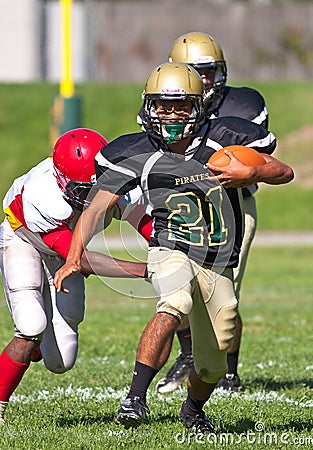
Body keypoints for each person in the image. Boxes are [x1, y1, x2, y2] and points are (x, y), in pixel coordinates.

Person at [54, 62, 293, 434]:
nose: (171, 115)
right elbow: (97, 207)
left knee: (213, 362)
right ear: (148, 106)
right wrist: (73, 258)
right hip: (170, 246)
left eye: (181, 107)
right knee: (174, 302)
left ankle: (193, 409)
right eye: (163, 106)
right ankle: (134, 398)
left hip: (217, 258)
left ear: (199, 107)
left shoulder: (226, 136)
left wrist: (253, 173)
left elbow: (283, 170)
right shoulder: (135, 150)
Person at [0, 128, 149, 426]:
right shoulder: (44, 197)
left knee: (61, 361)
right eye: (85, 190)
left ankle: (35, 348)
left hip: (64, 251)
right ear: (62, 181)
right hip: (23, 241)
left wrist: (167, 246)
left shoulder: (111, 179)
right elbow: (78, 260)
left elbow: (141, 218)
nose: (94, 195)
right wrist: (144, 270)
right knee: (31, 325)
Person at [152, 31, 270, 394]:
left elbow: (258, 160)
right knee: (179, 288)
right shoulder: (168, 102)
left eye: (208, 71)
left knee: (226, 294)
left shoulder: (243, 106)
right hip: (182, 208)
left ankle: (229, 373)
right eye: (194, 72)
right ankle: (189, 355)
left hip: (232, 208)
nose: (203, 80)